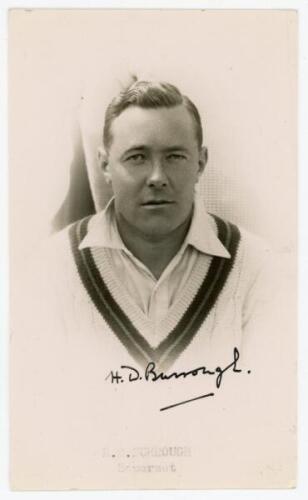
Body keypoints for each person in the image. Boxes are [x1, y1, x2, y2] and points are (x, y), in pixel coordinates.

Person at [11, 79, 295, 489]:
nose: (157, 177)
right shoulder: (47, 272)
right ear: (105, 165)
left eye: (175, 156)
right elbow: (37, 438)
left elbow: (272, 438)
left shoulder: (263, 272)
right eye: (137, 157)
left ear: (201, 162)